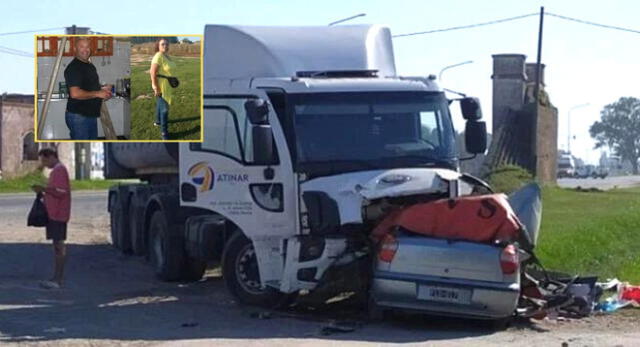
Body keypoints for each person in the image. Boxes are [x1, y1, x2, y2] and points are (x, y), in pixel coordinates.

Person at [32, 148, 71, 289]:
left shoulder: (59, 171)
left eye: (44, 160)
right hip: (54, 213)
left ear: (52, 157)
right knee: (57, 246)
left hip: (58, 214)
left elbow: (61, 192)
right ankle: (56, 278)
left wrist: (43, 189)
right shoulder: (57, 171)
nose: (44, 164)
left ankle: (58, 279)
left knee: (59, 246)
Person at [64, 37, 112, 140]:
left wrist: (103, 90)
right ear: (75, 49)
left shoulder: (89, 66)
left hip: (90, 114)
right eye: (82, 47)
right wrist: (98, 93)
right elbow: (75, 93)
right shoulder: (74, 68)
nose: (85, 50)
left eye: (87, 47)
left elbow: (89, 87)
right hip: (79, 117)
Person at [150, 38, 176, 140]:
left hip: (167, 84)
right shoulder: (158, 56)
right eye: (162, 44)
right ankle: (164, 133)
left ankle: (158, 121)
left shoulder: (166, 56)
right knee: (164, 109)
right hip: (161, 85)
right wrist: (156, 87)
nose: (165, 46)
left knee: (160, 103)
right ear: (158, 46)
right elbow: (153, 72)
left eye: (166, 44)